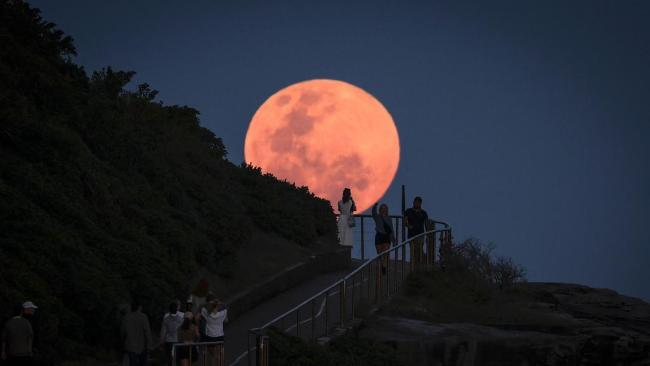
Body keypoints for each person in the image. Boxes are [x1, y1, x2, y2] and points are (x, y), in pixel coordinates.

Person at [120, 301, 153, 366]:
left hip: (130, 345)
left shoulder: (126, 317)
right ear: (139, 307)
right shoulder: (143, 317)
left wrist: (122, 342)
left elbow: (122, 332)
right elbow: (147, 332)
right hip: (142, 346)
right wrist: (150, 344)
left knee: (132, 363)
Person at [198, 299, 228, 366]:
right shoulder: (222, 314)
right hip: (220, 336)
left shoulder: (207, 314)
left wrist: (209, 302)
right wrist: (220, 303)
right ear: (217, 307)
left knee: (212, 356)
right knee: (220, 354)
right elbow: (226, 306)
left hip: (210, 336)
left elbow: (200, 306)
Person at [404, 196, 429, 267]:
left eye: (418, 202)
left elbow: (426, 224)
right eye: (415, 202)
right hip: (411, 234)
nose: (416, 204)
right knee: (412, 251)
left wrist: (428, 234)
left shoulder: (424, 213)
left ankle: (419, 266)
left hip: (420, 234)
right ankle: (413, 267)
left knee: (419, 250)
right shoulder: (408, 211)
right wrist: (409, 226)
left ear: (420, 203)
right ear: (413, 202)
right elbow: (405, 222)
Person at [372, 202, 395, 274]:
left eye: (385, 208)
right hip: (379, 236)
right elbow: (373, 213)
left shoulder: (389, 218)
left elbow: (391, 229)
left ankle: (384, 267)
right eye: (382, 208)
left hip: (386, 237)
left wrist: (393, 239)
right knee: (380, 254)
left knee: (386, 253)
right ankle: (382, 264)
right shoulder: (377, 217)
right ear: (380, 209)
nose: (384, 210)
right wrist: (375, 205)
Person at [160, 301, 184, 366]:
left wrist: (161, 342)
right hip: (178, 341)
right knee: (177, 360)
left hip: (168, 342)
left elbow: (163, 332)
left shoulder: (166, 319)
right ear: (177, 309)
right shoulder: (181, 319)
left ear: (169, 310)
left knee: (169, 360)